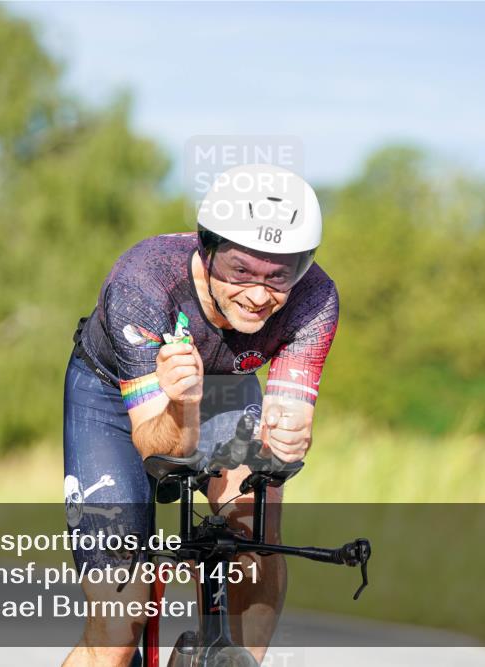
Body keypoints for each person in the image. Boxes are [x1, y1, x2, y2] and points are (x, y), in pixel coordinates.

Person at [62, 163, 339, 666]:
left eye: (279, 276)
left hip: (225, 388)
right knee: (119, 623)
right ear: (206, 249)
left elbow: (288, 426)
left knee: (253, 535)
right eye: (240, 271)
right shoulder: (143, 281)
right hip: (113, 396)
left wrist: (291, 440)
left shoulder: (315, 299)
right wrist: (184, 404)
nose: (259, 295)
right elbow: (157, 447)